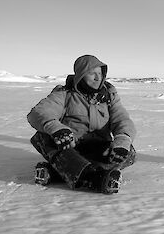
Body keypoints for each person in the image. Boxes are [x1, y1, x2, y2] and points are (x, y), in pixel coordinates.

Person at [27, 55, 137, 194]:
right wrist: (57, 129)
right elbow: (39, 112)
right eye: (92, 74)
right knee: (44, 137)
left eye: (100, 73)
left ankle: (57, 172)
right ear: (81, 75)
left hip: (98, 147)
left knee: (128, 152)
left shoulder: (109, 95)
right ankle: (95, 179)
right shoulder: (65, 93)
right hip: (70, 147)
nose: (98, 78)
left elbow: (121, 119)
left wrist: (122, 140)